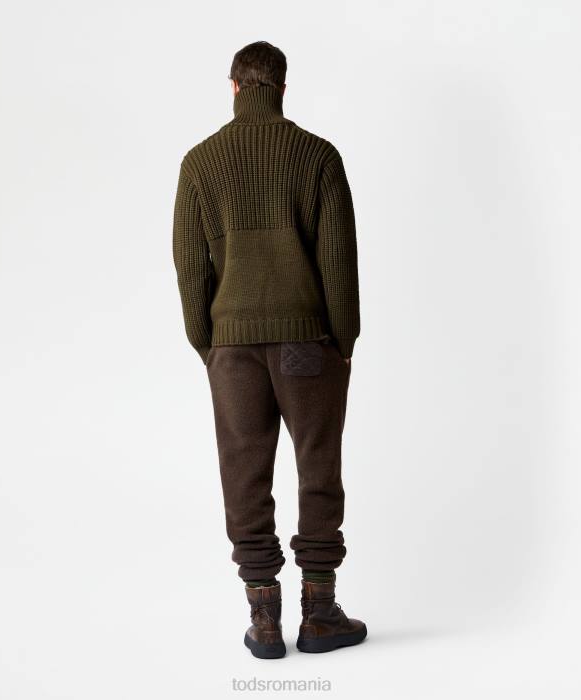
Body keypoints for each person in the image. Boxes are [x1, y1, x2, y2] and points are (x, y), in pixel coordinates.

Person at [172, 41, 366, 658]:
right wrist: (343, 342)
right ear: (282, 88)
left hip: (232, 350)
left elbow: (189, 268)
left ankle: (262, 619)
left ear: (234, 87)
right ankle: (320, 612)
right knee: (318, 466)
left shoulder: (199, 163)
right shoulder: (317, 156)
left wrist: (210, 345)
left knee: (243, 471)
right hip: (307, 345)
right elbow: (338, 261)